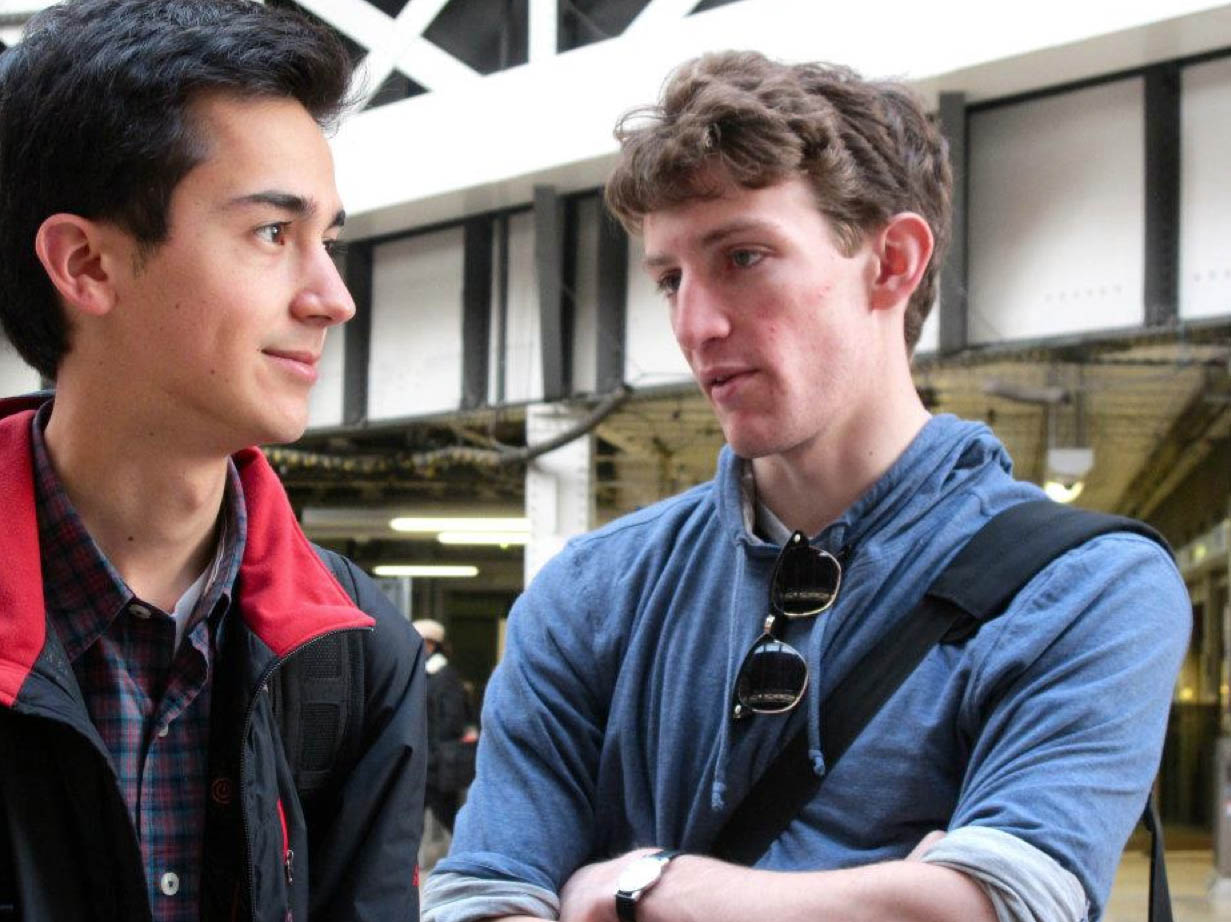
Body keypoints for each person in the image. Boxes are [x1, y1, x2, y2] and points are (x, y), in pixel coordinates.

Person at [423, 51, 1190, 922]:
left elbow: (1011, 904)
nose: (694, 325)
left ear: (892, 261)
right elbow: (478, 896)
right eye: (669, 278)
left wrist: (643, 890)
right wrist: (888, 895)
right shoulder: (591, 592)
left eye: (743, 257)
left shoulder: (1080, 587)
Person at [0, 2, 426, 920]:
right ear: (87, 265)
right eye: (273, 233)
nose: (332, 298)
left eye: (330, 242)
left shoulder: (354, 654)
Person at [414, 618, 475, 833]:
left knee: (448, 815)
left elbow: (451, 720)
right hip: (425, 761)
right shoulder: (419, 673)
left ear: (432, 644)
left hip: (437, 762)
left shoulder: (444, 676)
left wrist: (432, 752)